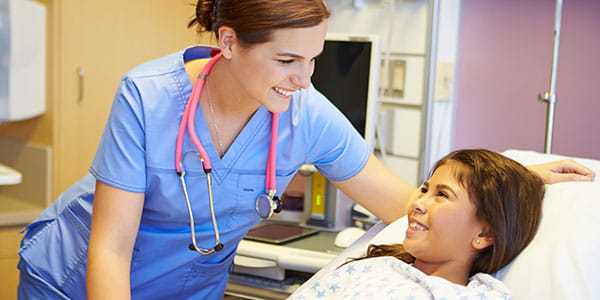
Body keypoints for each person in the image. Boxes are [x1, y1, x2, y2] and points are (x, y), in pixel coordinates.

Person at [16, 1, 595, 300]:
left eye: (314, 58)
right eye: (287, 60)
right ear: (229, 42)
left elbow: (399, 202)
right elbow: (111, 251)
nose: (304, 78)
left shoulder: (307, 113)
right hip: (76, 280)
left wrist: (512, 174)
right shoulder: (146, 98)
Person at [289, 149, 546, 299]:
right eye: (424, 190)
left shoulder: (475, 295)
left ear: (485, 233)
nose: (418, 203)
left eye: (442, 195)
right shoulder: (371, 268)